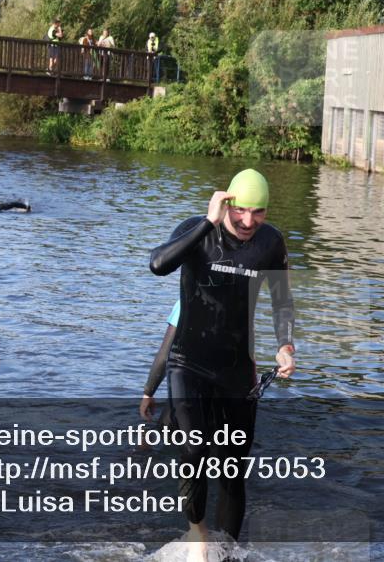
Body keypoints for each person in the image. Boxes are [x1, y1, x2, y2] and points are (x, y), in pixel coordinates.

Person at [148, 169, 295, 556]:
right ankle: (198, 533)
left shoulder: (271, 242)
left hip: (236, 369)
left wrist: (286, 345)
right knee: (194, 452)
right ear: (226, 203)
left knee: (231, 471)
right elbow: (158, 264)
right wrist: (208, 223)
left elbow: (282, 299)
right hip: (188, 362)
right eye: (241, 211)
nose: (249, 222)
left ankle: (227, 553)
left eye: (258, 212)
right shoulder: (197, 229)